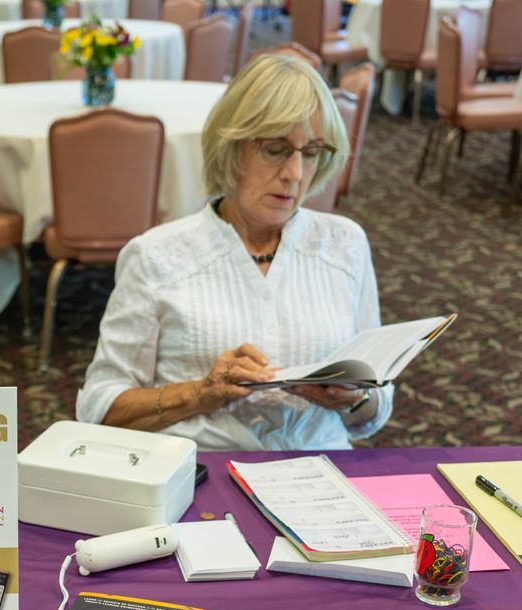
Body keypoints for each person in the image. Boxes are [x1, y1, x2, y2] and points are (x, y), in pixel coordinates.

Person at [76, 55, 385, 453]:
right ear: (231, 145)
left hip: (319, 472)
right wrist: (200, 394)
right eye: (276, 150)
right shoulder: (157, 257)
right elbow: (98, 407)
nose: (294, 173)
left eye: (311, 153)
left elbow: (374, 411)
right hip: (200, 473)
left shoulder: (345, 245)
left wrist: (355, 399)